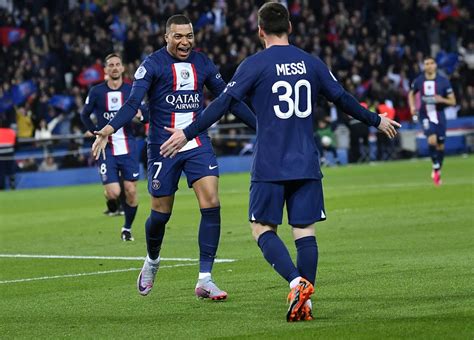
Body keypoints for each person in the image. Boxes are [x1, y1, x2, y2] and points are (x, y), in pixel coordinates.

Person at [159, 2, 400, 322]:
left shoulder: (254, 65)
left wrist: (186, 132)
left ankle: (296, 282)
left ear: (260, 31)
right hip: (306, 162)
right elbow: (342, 99)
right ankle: (307, 300)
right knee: (305, 232)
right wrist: (375, 120)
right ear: (290, 28)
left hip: (270, 163)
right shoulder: (311, 62)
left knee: (262, 228)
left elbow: (223, 104)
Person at [92, 15, 256, 300]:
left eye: (189, 36)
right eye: (178, 36)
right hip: (162, 147)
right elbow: (133, 103)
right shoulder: (151, 65)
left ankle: (205, 278)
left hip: (196, 141)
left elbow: (229, 100)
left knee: (211, 201)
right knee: (160, 214)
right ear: (166, 37)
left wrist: (263, 127)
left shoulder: (203, 63)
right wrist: (108, 129)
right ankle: (152, 261)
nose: (185, 41)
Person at [81, 53, 142, 241]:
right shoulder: (96, 92)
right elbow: (85, 114)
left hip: (128, 146)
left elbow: (145, 112)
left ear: (123, 68)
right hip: (106, 148)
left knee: (131, 191)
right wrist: (94, 131)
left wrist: (141, 117)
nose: (114, 68)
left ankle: (127, 228)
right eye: (110, 65)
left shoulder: (132, 90)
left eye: (117, 64)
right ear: (106, 70)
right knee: (114, 191)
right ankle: (111, 198)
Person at [408, 57, 456, 185]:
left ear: (435, 65)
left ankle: (437, 169)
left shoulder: (443, 82)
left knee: (440, 144)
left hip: (439, 115)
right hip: (425, 115)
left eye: (431, 63)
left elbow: (453, 101)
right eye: (426, 64)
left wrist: (441, 100)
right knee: (432, 139)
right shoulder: (419, 80)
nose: (428, 66)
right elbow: (411, 93)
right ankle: (435, 166)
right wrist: (412, 107)